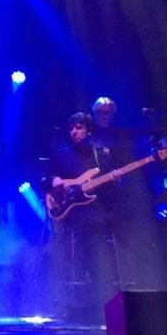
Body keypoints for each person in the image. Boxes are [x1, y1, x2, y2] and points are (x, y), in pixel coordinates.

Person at [44, 112, 123, 321]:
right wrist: (54, 181)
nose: (74, 132)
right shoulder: (61, 154)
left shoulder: (102, 155)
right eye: (71, 128)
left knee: (97, 235)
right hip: (70, 213)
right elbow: (45, 177)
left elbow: (111, 192)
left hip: (94, 212)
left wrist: (115, 180)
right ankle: (73, 302)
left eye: (78, 128)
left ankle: (99, 301)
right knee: (77, 242)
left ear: (88, 130)